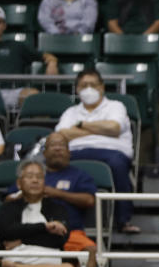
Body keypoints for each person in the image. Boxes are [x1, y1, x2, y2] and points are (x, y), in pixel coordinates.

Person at [5, 132, 98, 267]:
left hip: (68, 232)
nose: (57, 149)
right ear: (44, 152)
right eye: (53, 145)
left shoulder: (79, 175)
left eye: (62, 145)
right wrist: (28, 193)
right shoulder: (33, 174)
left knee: (90, 250)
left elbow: (89, 200)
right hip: (29, 232)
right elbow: (8, 199)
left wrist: (57, 193)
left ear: (69, 152)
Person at [55, 68, 138, 233]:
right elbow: (62, 135)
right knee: (56, 165)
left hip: (112, 152)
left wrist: (81, 125)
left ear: (102, 87)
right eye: (84, 85)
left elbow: (114, 128)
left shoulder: (115, 106)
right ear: (77, 89)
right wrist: (100, 128)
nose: (88, 88)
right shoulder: (71, 112)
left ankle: (123, 221)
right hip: (75, 152)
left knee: (118, 165)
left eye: (93, 84)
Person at [0, 6, 59, 110]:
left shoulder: (16, 46)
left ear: (4, 26)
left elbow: (47, 56)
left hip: (14, 92)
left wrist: (52, 63)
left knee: (34, 96)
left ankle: (35, 126)